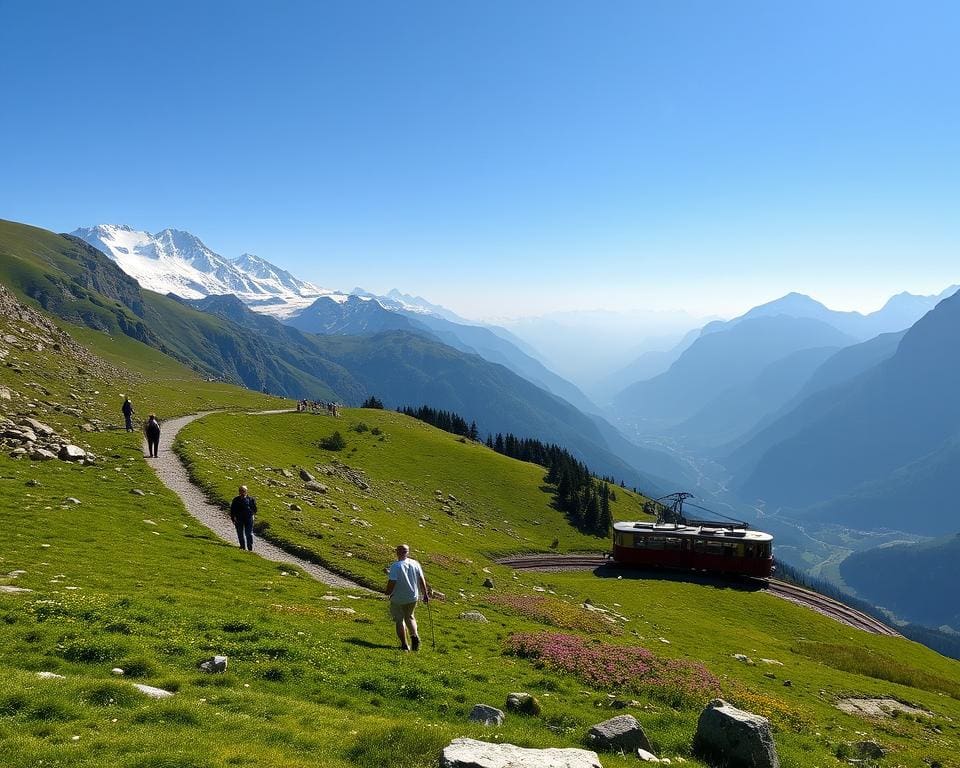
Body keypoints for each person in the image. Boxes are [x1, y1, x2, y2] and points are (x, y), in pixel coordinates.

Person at [385, 544, 429, 651]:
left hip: (398, 597)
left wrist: (387, 592)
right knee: (410, 616)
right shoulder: (415, 563)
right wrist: (425, 594)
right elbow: (421, 579)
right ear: (408, 552)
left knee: (399, 620)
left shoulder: (396, 566)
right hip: (413, 596)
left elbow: (392, 581)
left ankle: (404, 645)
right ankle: (414, 635)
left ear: (397, 552)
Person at [229, 485, 258, 551]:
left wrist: (252, 515)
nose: (242, 492)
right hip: (239, 519)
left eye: (243, 491)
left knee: (249, 533)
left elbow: (255, 509)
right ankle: (242, 547)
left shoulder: (251, 499)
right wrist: (233, 518)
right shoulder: (236, 499)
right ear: (239, 492)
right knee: (240, 533)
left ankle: (250, 548)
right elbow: (232, 510)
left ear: (246, 491)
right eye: (240, 491)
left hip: (249, 519)